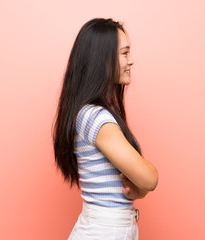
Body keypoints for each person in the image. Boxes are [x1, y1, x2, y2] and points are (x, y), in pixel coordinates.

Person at [53, 18, 158, 240]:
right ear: (102, 59)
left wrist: (140, 189)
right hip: (105, 231)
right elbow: (149, 179)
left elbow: (140, 184)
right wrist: (144, 185)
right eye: (124, 53)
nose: (131, 62)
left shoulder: (92, 113)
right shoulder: (96, 117)